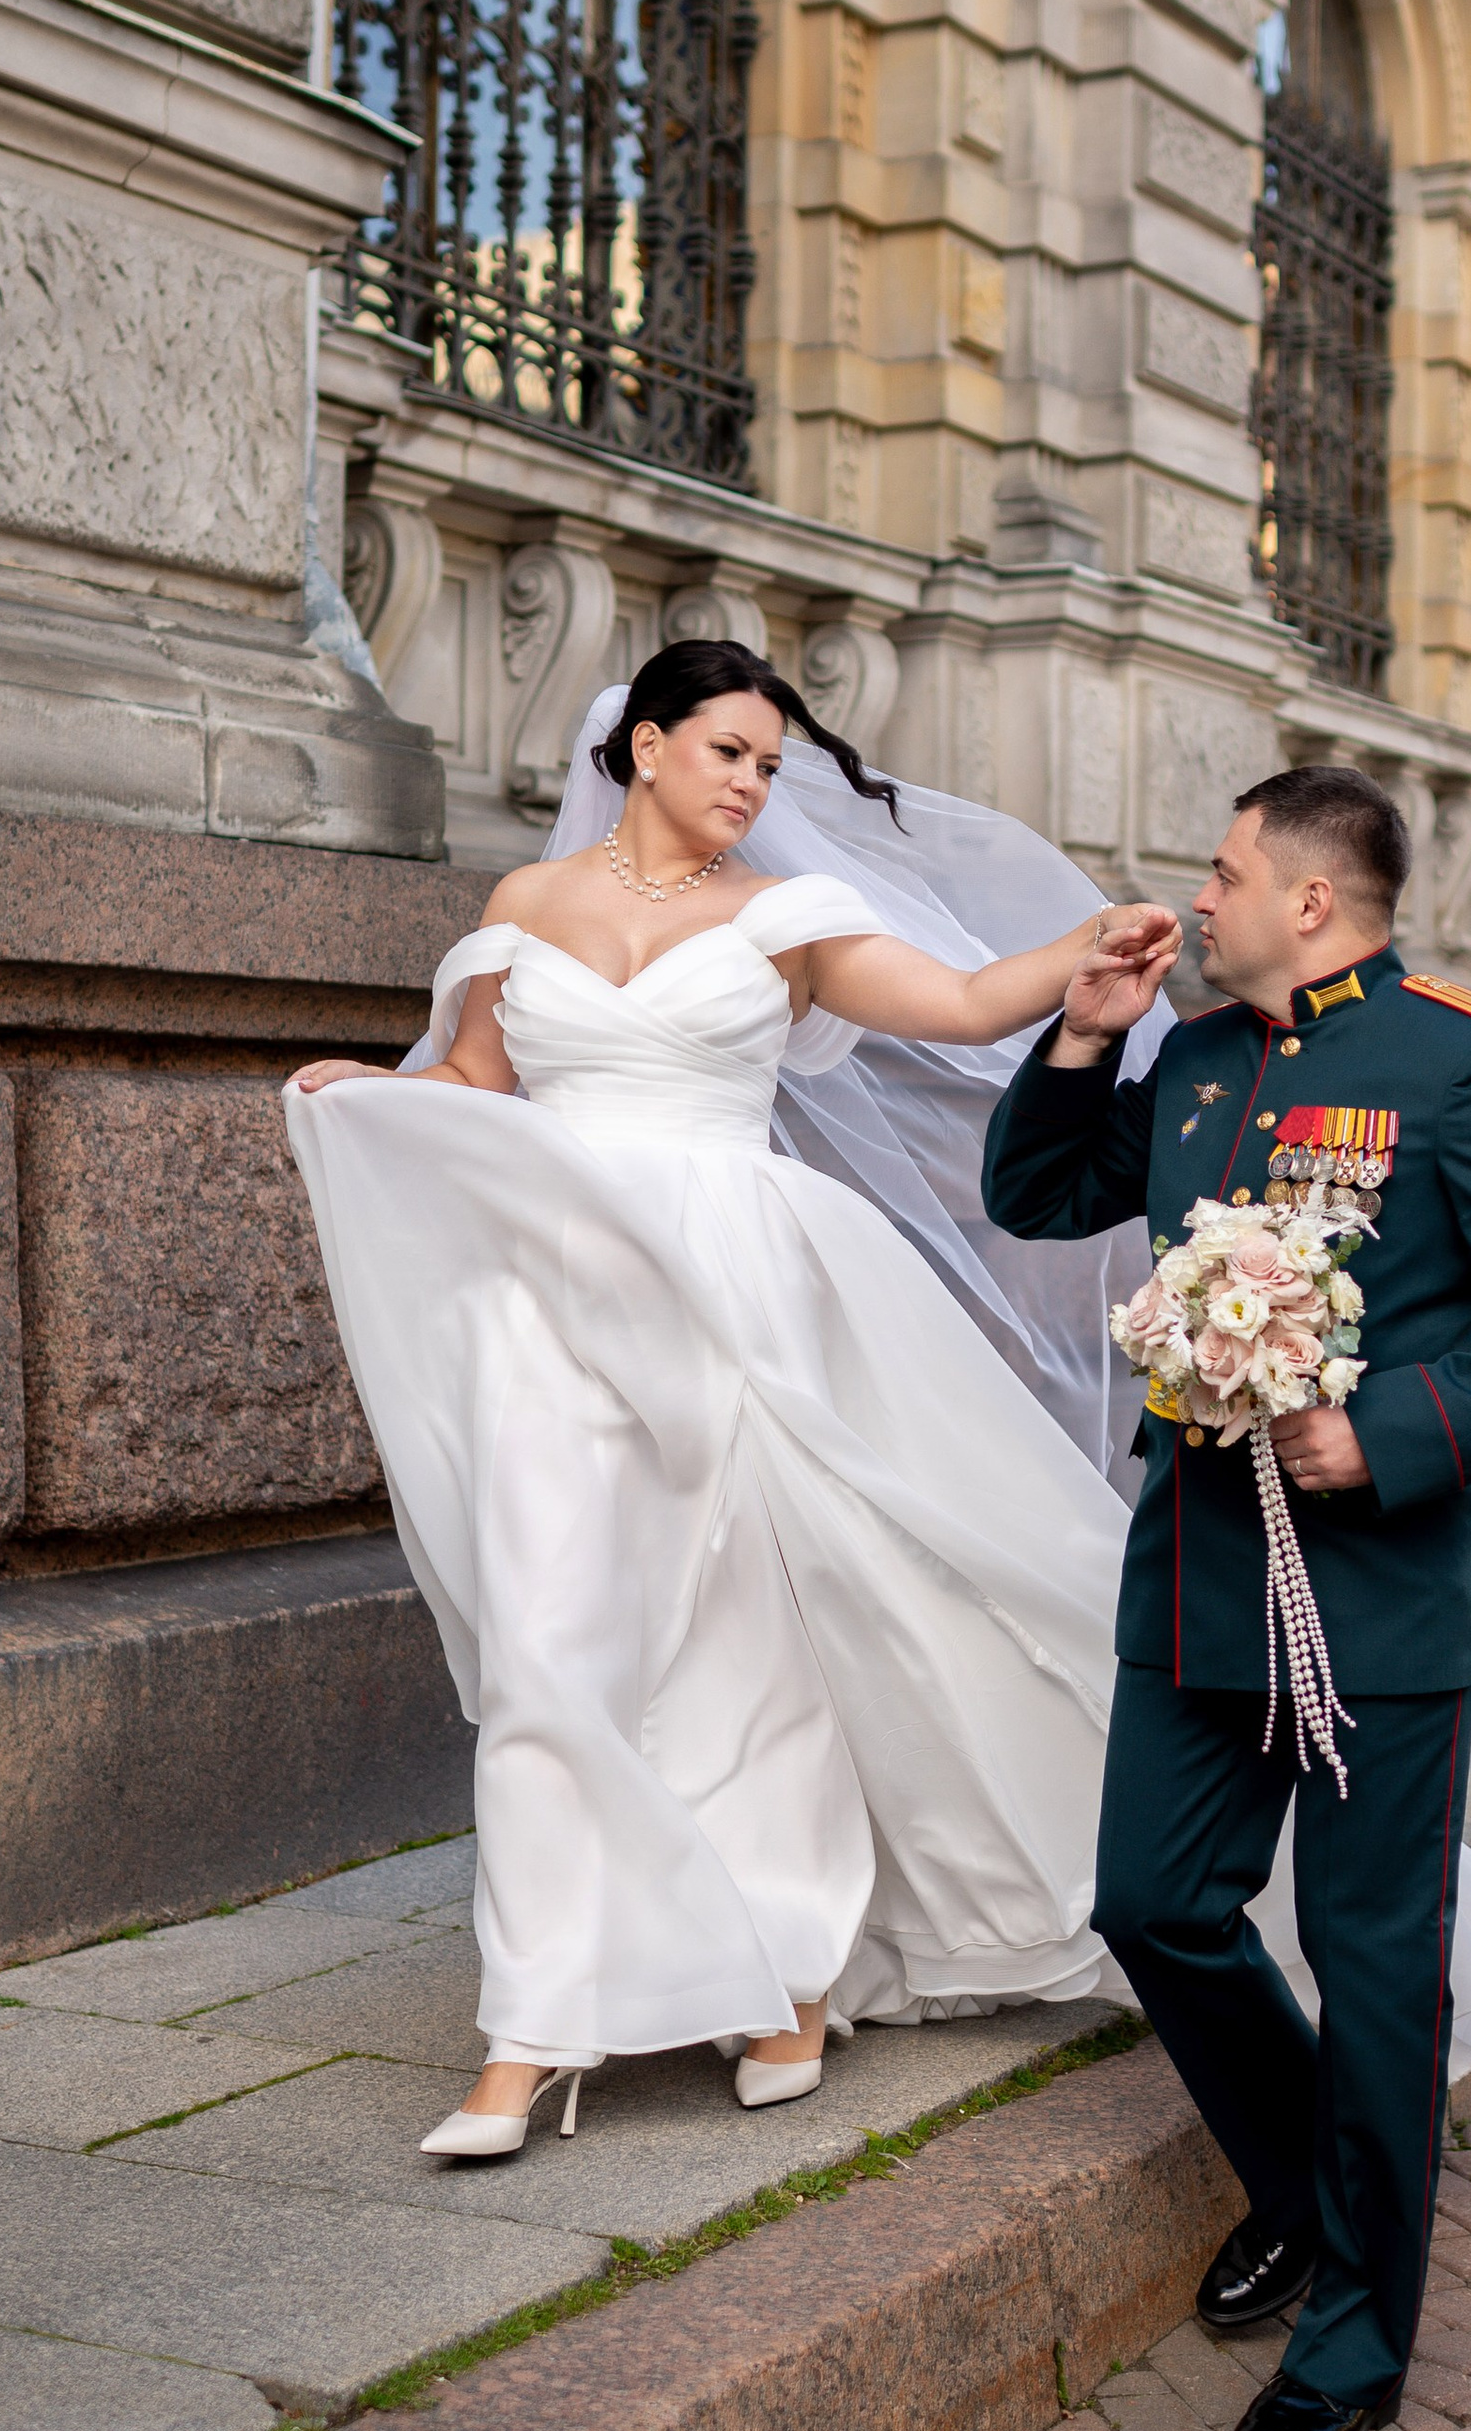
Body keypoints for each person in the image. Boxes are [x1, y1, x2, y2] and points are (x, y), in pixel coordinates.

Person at [284, 641, 1181, 2158]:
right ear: (641, 748)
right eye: (728, 753)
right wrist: (359, 1087)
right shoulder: (524, 909)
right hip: (552, 1302)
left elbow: (962, 1004)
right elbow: (476, 1085)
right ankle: (531, 2034)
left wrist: (1080, 962)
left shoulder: (787, 919)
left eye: (771, 765)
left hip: (739, 1292)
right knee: (550, 1647)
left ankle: (785, 1979)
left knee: (751, 1640)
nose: (753, 786)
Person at [981, 763, 1471, 2431]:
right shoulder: (1193, 1054)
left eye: (1220, 876)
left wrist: (1393, 1432)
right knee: (1153, 1901)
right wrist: (1081, 1035)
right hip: (1201, 1576)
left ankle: (1356, 2339)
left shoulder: (1465, 1056)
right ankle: (1303, 2184)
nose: (1192, 900)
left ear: (1310, 902)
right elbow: (1038, 1198)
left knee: (1372, 1976)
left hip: (1376, 1595)